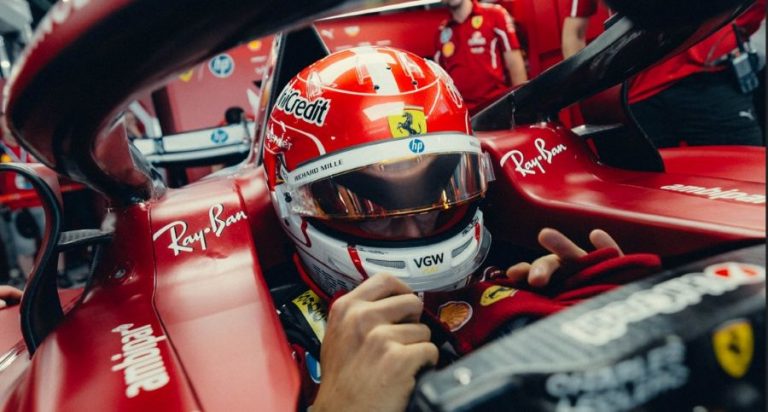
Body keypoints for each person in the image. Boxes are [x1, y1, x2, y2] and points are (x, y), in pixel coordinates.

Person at [263, 46, 661, 411]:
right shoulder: (274, 343)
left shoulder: (517, 283)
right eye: (370, 208)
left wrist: (627, 320)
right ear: (290, 205)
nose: (415, 230)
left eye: (438, 195)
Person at [561, 0, 766, 148]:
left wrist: (727, 37)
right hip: (639, 94)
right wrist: (593, 97)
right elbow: (574, 32)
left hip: (710, 82)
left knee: (746, 182)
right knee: (641, 188)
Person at [434, 0, 528, 113]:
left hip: (497, 106)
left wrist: (523, 106)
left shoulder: (495, 14)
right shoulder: (441, 33)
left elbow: (515, 65)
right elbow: (440, 81)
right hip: (464, 114)